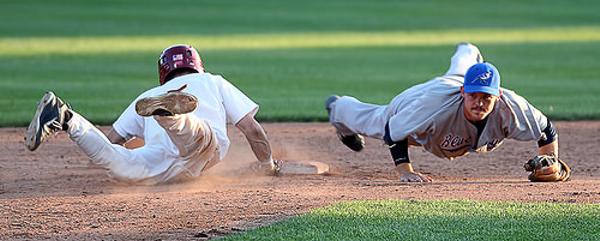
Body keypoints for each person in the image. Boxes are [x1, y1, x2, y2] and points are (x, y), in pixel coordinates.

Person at [25, 44, 279, 184]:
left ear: (163, 73)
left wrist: (125, 147)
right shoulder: (213, 81)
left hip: (160, 158)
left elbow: (113, 139)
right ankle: (170, 115)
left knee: (119, 164)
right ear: (198, 67)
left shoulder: (144, 95)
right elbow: (251, 128)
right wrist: (266, 165)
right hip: (203, 147)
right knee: (196, 136)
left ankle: (67, 119)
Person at [325, 42, 570, 182]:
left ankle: (467, 50)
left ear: (498, 96)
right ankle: (338, 107)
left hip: (456, 83)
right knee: (375, 122)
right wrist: (405, 171)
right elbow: (393, 131)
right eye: (474, 95)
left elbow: (546, 129)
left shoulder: (513, 107)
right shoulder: (429, 106)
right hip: (419, 100)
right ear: (465, 92)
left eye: (486, 96)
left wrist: (551, 163)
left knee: (462, 70)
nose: (479, 102)